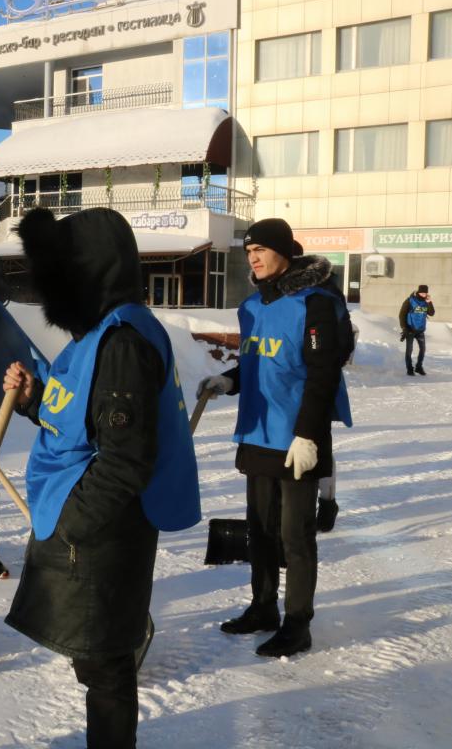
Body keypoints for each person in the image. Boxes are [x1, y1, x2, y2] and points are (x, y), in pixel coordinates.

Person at [2, 208, 201, 749]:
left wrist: (72, 523)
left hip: (109, 526)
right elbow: (76, 414)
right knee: (95, 658)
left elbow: (124, 459)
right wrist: (33, 400)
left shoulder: (123, 341)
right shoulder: (94, 336)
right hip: (93, 521)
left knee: (107, 666)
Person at [198, 217, 351, 658]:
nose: (254, 258)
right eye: (248, 252)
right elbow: (257, 362)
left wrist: (308, 436)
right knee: (260, 530)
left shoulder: (315, 303)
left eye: (261, 250)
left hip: (297, 435)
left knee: (295, 535)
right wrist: (228, 380)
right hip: (257, 432)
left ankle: (297, 623)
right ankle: (263, 607)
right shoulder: (251, 307)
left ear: (285, 252)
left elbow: (322, 375)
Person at [399, 284, 435, 376]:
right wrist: (404, 328)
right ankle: (409, 369)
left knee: (422, 349)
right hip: (410, 329)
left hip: (420, 330)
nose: (424, 294)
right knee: (409, 350)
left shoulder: (426, 302)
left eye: (425, 293)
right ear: (419, 292)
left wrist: (430, 302)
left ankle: (419, 367)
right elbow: (402, 314)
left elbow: (431, 313)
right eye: (422, 293)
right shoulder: (410, 300)